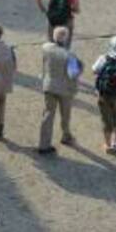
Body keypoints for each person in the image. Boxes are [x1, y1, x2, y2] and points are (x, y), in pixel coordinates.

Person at [37, 26, 78, 154]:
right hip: (65, 89)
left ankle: (44, 144)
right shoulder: (70, 55)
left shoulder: (46, 48)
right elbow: (73, 74)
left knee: (48, 114)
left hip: (49, 86)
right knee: (65, 115)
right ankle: (66, 135)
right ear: (66, 39)